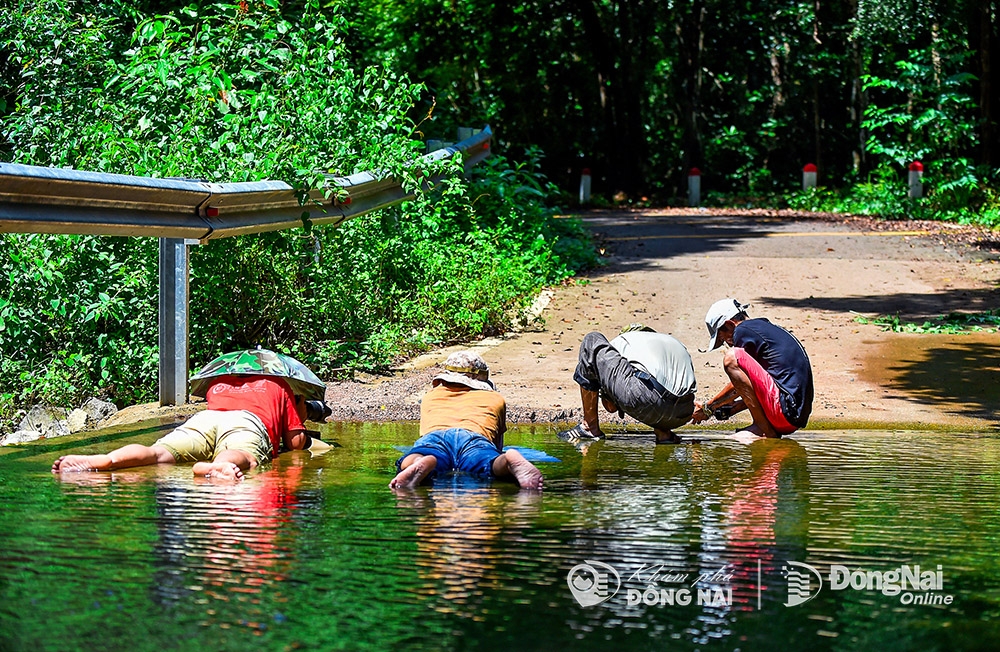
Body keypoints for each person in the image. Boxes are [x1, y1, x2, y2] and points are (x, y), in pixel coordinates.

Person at [52, 374, 312, 480]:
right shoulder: (278, 385)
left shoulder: (218, 382)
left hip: (205, 420)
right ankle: (218, 466)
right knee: (243, 454)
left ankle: (108, 460)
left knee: (158, 454)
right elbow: (296, 444)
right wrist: (298, 412)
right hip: (245, 422)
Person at [389, 351, 544, 490]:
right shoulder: (495, 399)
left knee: (423, 452)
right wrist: (497, 454)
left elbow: (423, 436)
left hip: (436, 436)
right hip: (475, 438)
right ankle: (507, 462)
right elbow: (497, 443)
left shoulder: (430, 396)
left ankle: (418, 462)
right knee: (489, 462)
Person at [691, 298, 813, 439]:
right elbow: (757, 383)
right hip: (795, 416)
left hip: (784, 413)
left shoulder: (742, 330)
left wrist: (708, 408)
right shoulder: (766, 329)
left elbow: (737, 381)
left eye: (723, 339)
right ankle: (763, 428)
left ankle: (764, 430)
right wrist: (734, 407)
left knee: (731, 358)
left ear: (729, 324)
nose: (728, 343)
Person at [561, 324, 698, 444]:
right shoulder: (670, 343)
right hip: (684, 413)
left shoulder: (623, 342)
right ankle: (664, 433)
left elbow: (610, 408)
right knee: (658, 386)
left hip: (649, 401)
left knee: (591, 340)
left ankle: (589, 427)